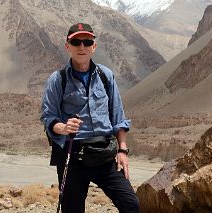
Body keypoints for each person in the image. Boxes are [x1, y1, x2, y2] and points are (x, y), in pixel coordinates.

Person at [40, 23, 140, 213]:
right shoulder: (57, 79)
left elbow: (118, 116)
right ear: (67, 46)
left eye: (87, 42)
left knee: (131, 205)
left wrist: (123, 151)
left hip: (105, 154)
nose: (82, 47)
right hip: (72, 154)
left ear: (94, 46)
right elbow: (48, 116)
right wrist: (63, 127)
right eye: (76, 42)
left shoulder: (106, 76)